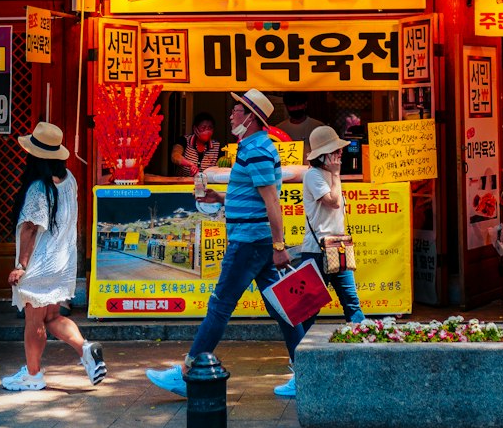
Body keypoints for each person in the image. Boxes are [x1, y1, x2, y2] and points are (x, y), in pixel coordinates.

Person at [145, 89, 304, 398]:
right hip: (254, 241)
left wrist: (279, 245)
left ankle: (189, 373)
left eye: (237, 111)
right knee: (279, 306)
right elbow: (256, 197)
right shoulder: (253, 147)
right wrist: (220, 198)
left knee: (220, 306)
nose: (231, 115)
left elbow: (272, 201)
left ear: (250, 118)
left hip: (249, 243)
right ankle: (307, 372)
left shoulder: (255, 149)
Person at [1, 122, 107, 392]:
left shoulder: (38, 188)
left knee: (34, 322)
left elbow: (30, 228)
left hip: (40, 262)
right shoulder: (69, 179)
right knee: (50, 318)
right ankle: (85, 348)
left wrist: (21, 266)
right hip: (62, 261)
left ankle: (33, 376)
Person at [273, 123, 366, 399]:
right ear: (323, 156)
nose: (340, 155)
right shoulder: (316, 176)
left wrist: (335, 174)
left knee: (351, 305)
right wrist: (337, 176)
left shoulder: (325, 173)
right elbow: (334, 203)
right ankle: (302, 370)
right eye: (335, 152)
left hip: (336, 248)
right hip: (318, 250)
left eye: (339, 151)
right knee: (305, 312)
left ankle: (366, 357)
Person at [170, 109, 221, 177]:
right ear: (195, 128)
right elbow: (175, 156)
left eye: (210, 128)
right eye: (203, 127)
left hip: (206, 185)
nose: (207, 130)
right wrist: (190, 164)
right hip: (183, 183)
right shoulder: (184, 140)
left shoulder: (217, 146)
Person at [276, 95, 325, 164]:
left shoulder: (318, 126)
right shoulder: (279, 129)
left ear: (305, 104)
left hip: (313, 169)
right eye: (292, 105)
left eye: (299, 104)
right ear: (286, 107)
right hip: (288, 170)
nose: (296, 108)